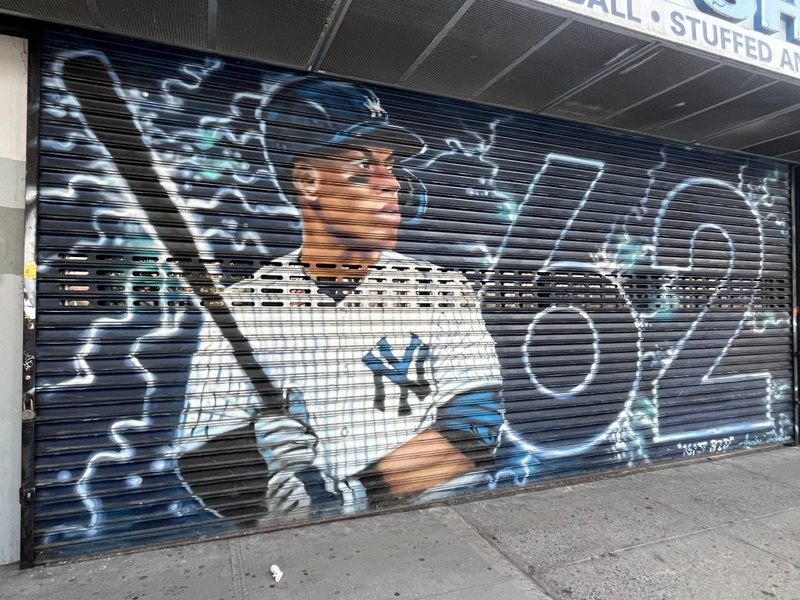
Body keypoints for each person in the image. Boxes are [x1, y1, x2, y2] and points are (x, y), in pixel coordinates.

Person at [174, 77, 506, 520]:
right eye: (366, 166)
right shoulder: (244, 306)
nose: (391, 184)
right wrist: (264, 473)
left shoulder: (441, 290)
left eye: (390, 166)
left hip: (442, 523)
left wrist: (355, 494)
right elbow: (202, 453)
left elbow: (475, 423)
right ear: (308, 182)